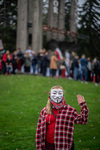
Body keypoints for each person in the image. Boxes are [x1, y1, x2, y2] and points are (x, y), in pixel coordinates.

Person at [35, 85, 89, 150]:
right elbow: (39, 130)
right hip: (48, 145)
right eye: (54, 93)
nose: (57, 96)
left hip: (63, 145)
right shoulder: (44, 111)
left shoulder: (69, 110)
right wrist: (39, 146)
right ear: (50, 95)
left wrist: (83, 105)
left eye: (60, 93)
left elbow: (83, 120)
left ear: (63, 95)